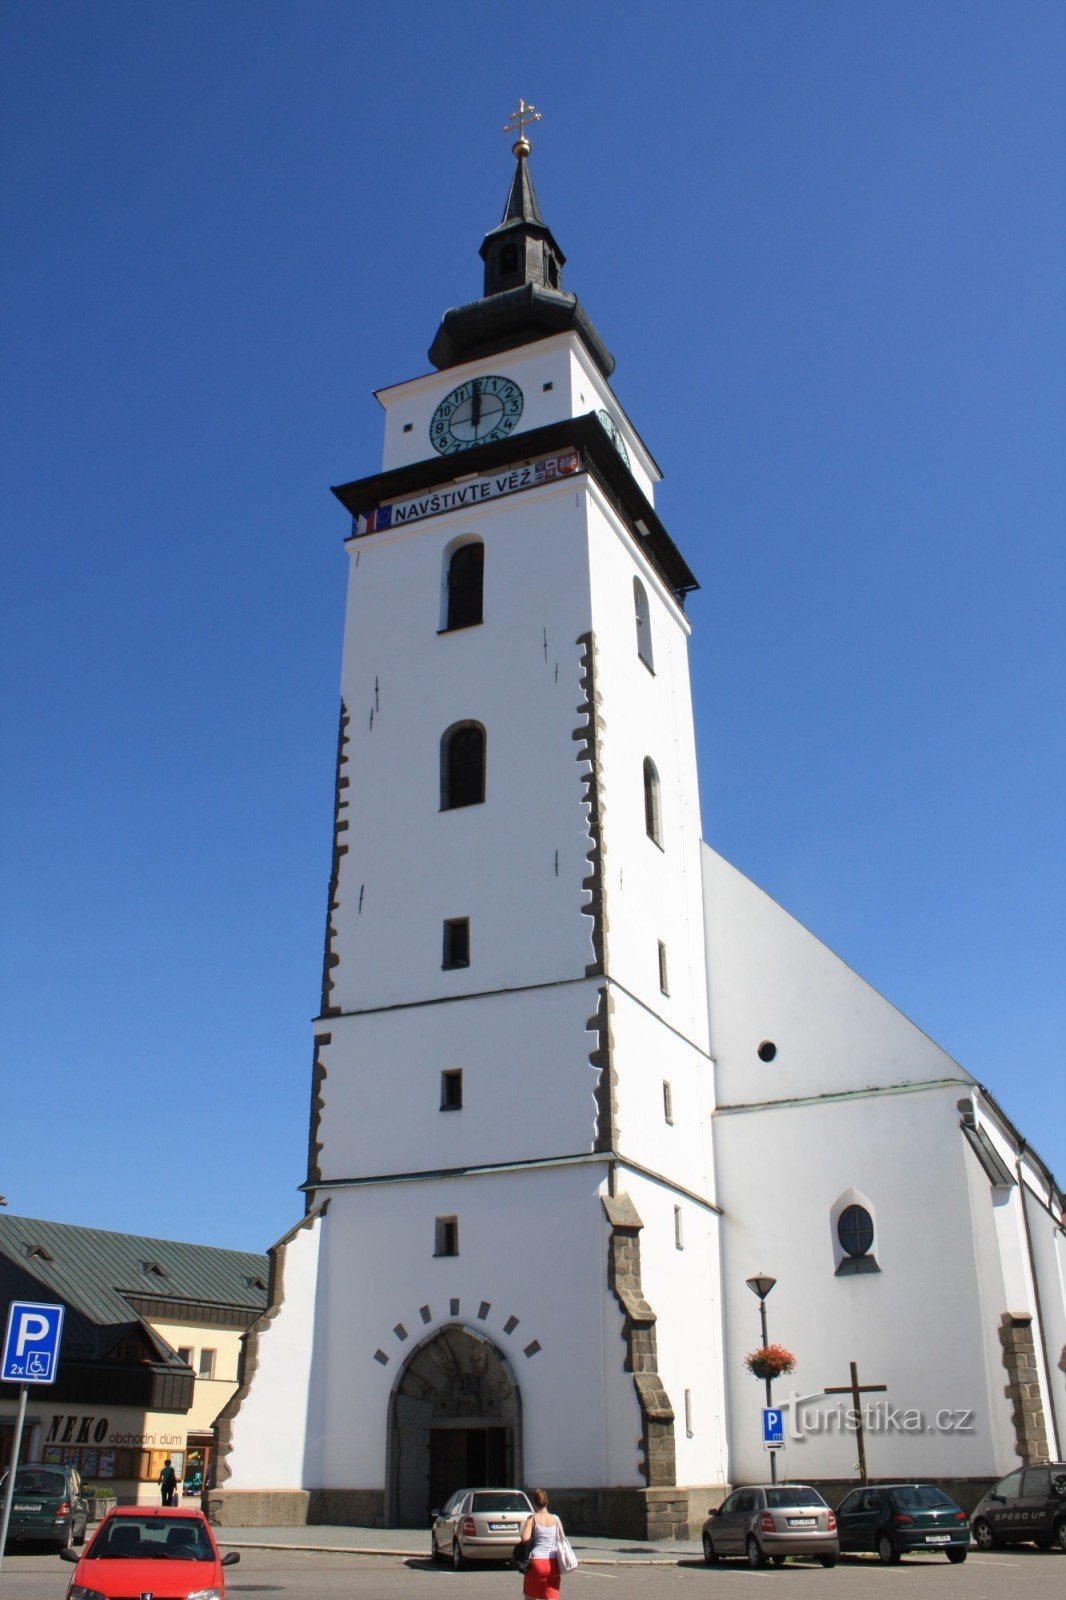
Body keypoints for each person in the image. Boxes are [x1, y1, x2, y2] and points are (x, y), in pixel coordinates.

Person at [519, 1488, 565, 1599]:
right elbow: (562, 1537)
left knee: (530, 1596)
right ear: (547, 1501)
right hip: (552, 1564)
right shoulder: (556, 1519)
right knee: (551, 1596)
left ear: (534, 1503)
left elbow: (525, 1538)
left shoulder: (532, 1518)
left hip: (536, 1563)